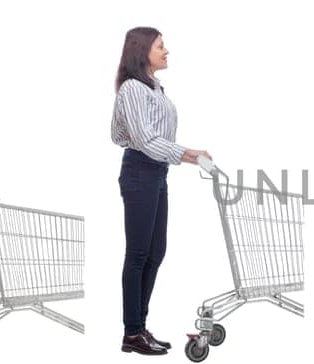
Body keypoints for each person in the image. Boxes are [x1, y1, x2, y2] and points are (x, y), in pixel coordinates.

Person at [112, 26, 212, 356]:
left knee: (156, 252)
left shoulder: (154, 87)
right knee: (139, 254)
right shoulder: (132, 89)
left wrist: (175, 153)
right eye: (160, 47)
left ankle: (139, 327)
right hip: (140, 171)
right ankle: (132, 331)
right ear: (142, 52)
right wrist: (188, 155)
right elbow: (141, 139)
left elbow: (119, 133)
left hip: (157, 173)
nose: (166, 51)